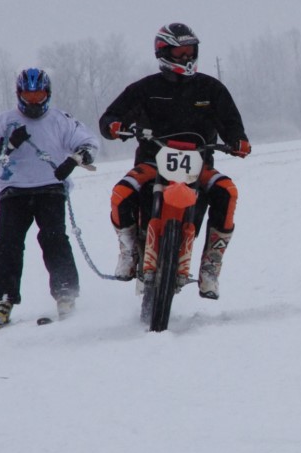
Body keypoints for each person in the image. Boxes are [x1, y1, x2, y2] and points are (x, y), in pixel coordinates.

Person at [99, 22, 250, 300]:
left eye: (190, 51)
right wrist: (114, 126)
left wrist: (238, 141)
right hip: (151, 164)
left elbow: (232, 123)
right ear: (163, 52)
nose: (186, 57)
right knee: (121, 193)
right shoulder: (145, 88)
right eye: (180, 52)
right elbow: (110, 116)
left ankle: (211, 267)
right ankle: (129, 251)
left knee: (227, 191)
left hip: (199, 166)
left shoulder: (211, 89)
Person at [0, 68, 99, 326]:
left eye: (39, 95)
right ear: (19, 94)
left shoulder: (60, 120)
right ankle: (3, 298)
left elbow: (89, 142)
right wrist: (6, 144)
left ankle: (65, 293)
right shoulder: (3, 121)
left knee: (54, 239)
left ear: (48, 94)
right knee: (8, 243)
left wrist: (75, 159)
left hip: (50, 189)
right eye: (28, 96)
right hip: (13, 191)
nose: (33, 101)